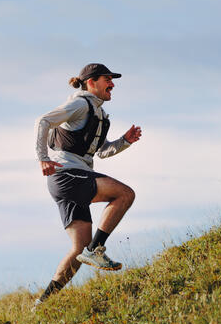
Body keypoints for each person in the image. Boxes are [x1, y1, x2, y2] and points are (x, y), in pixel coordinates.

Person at [32, 63, 141, 308]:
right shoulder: (81, 103)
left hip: (69, 179)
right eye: (107, 79)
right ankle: (97, 249)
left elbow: (100, 152)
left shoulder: (98, 114)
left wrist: (125, 141)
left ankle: (43, 303)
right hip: (67, 175)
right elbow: (43, 121)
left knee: (79, 249)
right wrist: (43, 158)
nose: (112, 84)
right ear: (91, 82)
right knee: (125, 194)